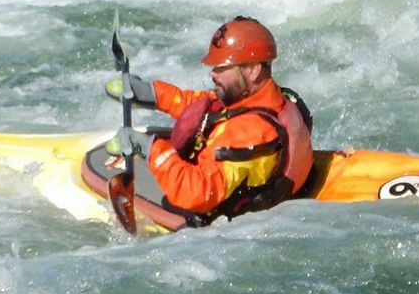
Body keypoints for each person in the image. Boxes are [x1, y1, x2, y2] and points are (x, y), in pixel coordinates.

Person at [106, 17, 314, 227]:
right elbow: (207, 109)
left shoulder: (249, 132)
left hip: (217, 223)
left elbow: (195, 193)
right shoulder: (258, 98)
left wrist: (150, 148)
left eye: (222, 67)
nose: (213, 73)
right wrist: (154, 94)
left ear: (253, 70)